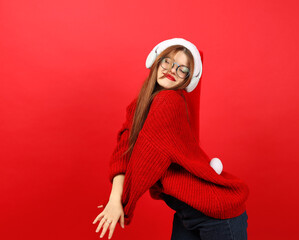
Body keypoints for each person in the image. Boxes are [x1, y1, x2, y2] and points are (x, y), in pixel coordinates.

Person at [92, 38, 250, 240]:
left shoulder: (168, 102)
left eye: (182, 69)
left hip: (216, 215)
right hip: (188, 213)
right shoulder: (139, 105)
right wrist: (115, 200)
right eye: (167, 61)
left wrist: (123, 203)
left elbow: (145, 159)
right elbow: (125, 149)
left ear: (187, 79)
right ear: (156, 61)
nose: (172, 70)